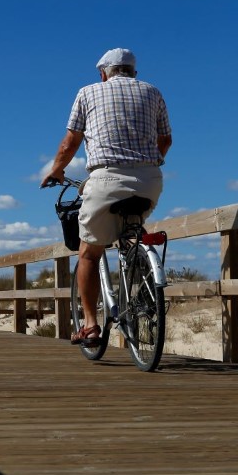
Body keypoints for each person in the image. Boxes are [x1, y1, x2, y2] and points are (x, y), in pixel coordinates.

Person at [41, 48, 172, 347]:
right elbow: (165, 140)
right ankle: (142, 277)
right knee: (132, 230)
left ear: (103, 73)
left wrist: (56, 171)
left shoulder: (88, 93)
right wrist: (146, 164)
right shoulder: (153, 92)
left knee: (89, 252)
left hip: (105, 180)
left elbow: (70, 142)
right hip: (150, 180)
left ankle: (89, 326)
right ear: (133, 73)